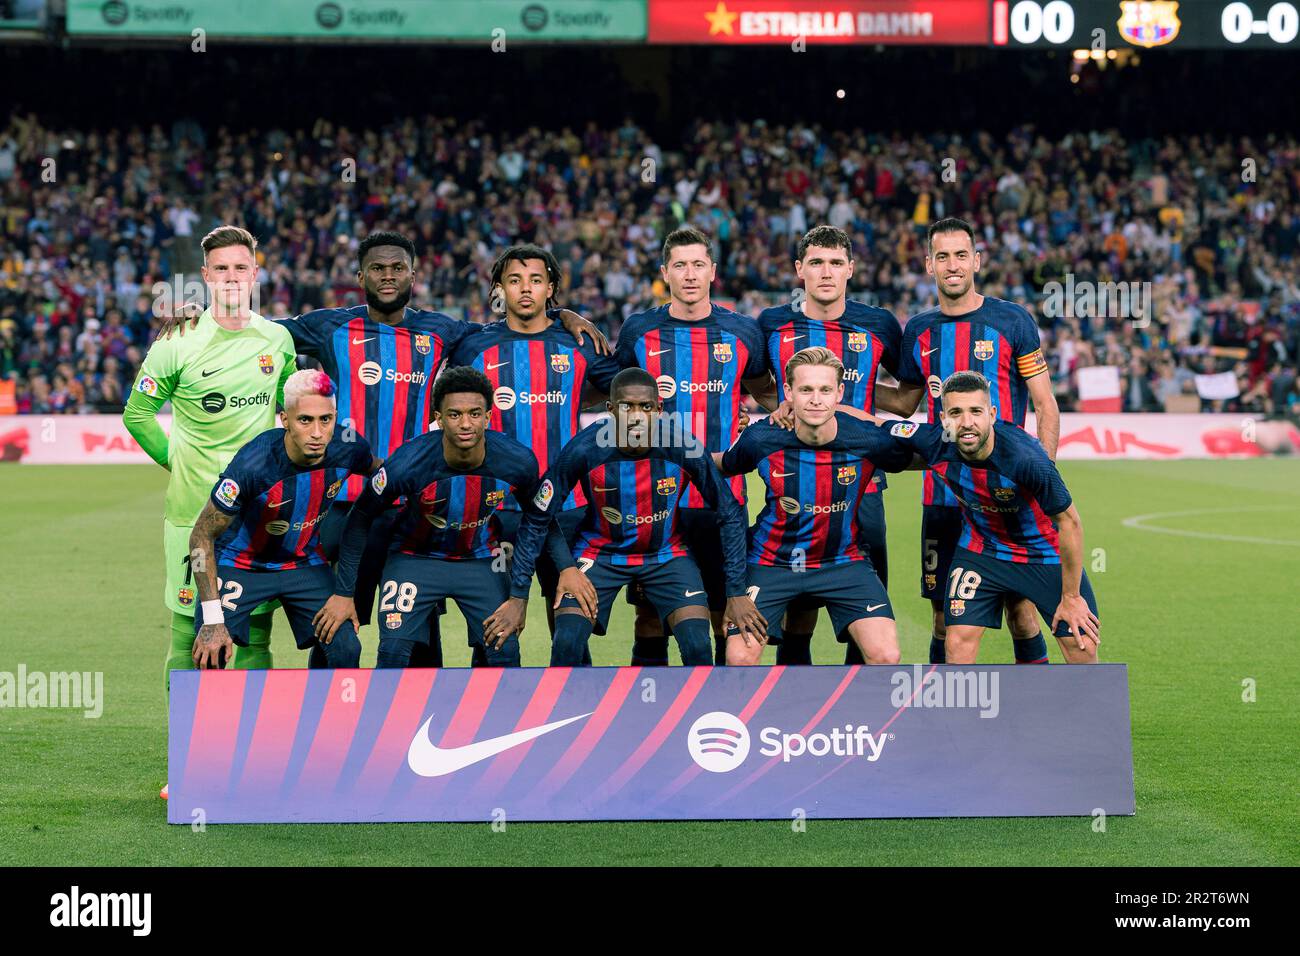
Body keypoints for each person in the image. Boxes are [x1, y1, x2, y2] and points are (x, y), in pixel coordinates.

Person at [485, 368, 765, 666]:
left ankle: (689, 711)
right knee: (566, 642)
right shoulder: (585, 448)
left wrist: (735, 592)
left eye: (645, 407)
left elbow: (729, 512)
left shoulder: (683, 446)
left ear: (658, 410)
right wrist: (521, 594)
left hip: (667, 554)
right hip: (598, 553)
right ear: (610, 409)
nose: (635, 416)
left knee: (697, 645)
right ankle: (576, 709)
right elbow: (539, 515)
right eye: (626, 406)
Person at [877, 217, 1061, 666]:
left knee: (1022, 613)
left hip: (1006, 492)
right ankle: (945, 717)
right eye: (943, 256)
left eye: (961, 255)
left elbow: (1046, 404)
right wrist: (847, 396)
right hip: (942, 494)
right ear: (928, 264)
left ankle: (1031, 708)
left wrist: (1041, 476)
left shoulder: (1012, 320)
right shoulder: (918, 330)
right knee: (943, 616)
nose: (953, 265)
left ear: (977, 261)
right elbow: (905, 403)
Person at [123, 225, 296, 686]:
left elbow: (290, 412)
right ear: (205, 275)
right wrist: (177, 462)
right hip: (191, 511)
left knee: (255, 636)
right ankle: (186, 749)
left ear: (256, 273)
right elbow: (137, 415)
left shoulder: (277, 341)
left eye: (241, 267)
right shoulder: (176, 341)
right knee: (186, 635)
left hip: (257, 513)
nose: (232, 277)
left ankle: (249, 742)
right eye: (221, 268)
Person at [613, 227, 776, 665]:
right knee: (650, 615)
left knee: (727, 611)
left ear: (713, 272)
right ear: (665, 272)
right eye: (680, 266)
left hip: (724, 497)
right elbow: (614, 395)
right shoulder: (639, 331)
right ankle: (649, 711)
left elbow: (768, 393)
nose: (690, 275)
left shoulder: (743, 332)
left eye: (698, 265)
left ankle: (719, 709)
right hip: (654, 500)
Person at [322, 367, 558, 668]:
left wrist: (519, 596)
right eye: (454, 414)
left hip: (481, 558)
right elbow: (360, 517)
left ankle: (492, 714)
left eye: (474, 414)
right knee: (393, 653)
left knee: (505, 650)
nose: (465, 424)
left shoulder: (518, 462)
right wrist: (345, 592)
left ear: (488, 417)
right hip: (413, 557)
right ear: (438, 418)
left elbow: (539, 519)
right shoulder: (408, 463)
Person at [450, 244, 619, 639]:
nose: (525, 289)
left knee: (571, 629)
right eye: (514, 280)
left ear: (551, 288)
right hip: (496, 509)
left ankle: (575, 702)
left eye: (536, 280)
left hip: (568, 508)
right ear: (498, 289)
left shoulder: (579, 344)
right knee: (494, 635)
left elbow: (630, 394)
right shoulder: (474, 346)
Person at [757, 224, 902, 665]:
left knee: (864, 612)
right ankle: (795, 715)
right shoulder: (771, 323)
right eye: (816, 263)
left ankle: (856, 718)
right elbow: (752, 384)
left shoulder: (878, 324)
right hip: (791, 484)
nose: (826, 272)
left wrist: (862, 418)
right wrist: (783, 407)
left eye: (836, 263)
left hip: (862, 489)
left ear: (851, 270)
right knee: (799, 607)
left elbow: (908, 396)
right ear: (800, 269)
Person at [715, 348, 912, 665]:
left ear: (840, 393)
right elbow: (721, 465)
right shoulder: (762, 438)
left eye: (825, 390)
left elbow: (921, 455)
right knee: (740, 657)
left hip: (842, 562)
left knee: (886, 655)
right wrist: (666, 451)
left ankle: (861, 714)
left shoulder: (868, 440)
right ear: (789, 392)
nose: (816, 399)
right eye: (806, 389)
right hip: (771, 563)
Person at [888, 371, 1099, 663]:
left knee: (1082, 644)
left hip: (1041, 551)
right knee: (957, 641)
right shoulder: (935, 442)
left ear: (992, 414)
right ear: (943, 418)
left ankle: (1060, 705)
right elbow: (874, 429)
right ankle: (954, 709)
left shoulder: (1028, 459)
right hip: (981, 550)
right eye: (956, 413)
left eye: (976, 411)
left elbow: (1070, 522)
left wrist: (1072, 598)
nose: (966, 422)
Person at [188, 370, 377, 670]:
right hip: (240, 564)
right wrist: (212, 618)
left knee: (346, 646)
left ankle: (331, 717)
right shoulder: (254, 463)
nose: (317, 433)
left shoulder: (349, 446)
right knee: (210, 650)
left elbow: (380, 472)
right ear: (285, 419)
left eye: (325, 420)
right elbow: (200, 536)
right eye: (305, 420)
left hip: (303, 563)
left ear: (335, 417)